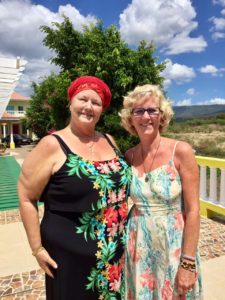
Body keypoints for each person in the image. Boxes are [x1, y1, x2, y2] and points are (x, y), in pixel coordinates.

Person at [18, 76, 131, 300]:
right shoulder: (52, 144)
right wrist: (37, 249)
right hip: (69, 258)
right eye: (83, 99)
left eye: (96, 103)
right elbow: (26, 197)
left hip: (114, 253)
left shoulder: (109, 140)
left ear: (102, 110)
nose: (89, 107)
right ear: (70, 103)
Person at [120, 84, 203, 299]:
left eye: (152, 110)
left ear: (161, 116)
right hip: (138, 247)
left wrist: (188, 262)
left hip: (173, 245)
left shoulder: (180, 151)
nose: (145, 116)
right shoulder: (129, 156)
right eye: (139, 111)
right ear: (131, 118)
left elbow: (193, 210)